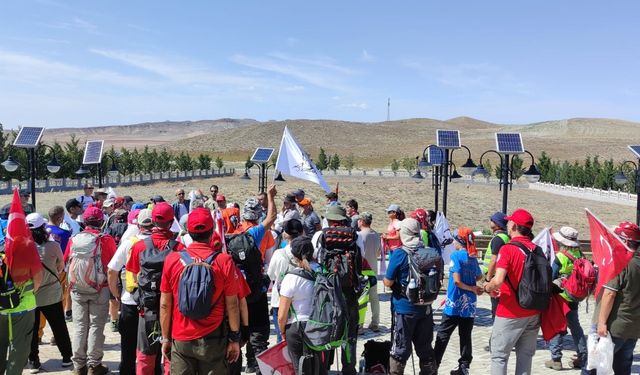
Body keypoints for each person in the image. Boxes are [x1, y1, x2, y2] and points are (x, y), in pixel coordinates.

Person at [159, 207, 241, 374]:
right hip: (213, 338)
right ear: (212, 231)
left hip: (181, 335)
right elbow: (232, 305)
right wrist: (234, 339)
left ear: (188, 231)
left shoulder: (172, 259)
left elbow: (165, 305)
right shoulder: (224, 261)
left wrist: (166, 338)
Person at [126, 202, 185, 375]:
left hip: (147, 309)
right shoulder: (180, 248)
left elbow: (133, 275)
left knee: (145, 356)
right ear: (171, 221)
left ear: (152, 221)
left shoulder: (139, 247)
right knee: (170, 356)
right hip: (173, 311)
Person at [482, 208, 541, 375]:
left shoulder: (508, 249)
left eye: (509, 221)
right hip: (533, 310)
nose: (507, 224)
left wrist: (487, 286)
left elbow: (498, 280)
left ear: (514, 226)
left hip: (510, 311)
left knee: (499, 356)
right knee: (525, 355)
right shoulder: (537, 249)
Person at [64, 206, 117, 375]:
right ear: (101, 222)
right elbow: (112, 266)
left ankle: (79, 366)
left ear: (84, 221)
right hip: (99, 289)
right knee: (96, 326)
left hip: (77, 289)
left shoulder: (74, 238)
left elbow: (65, 261)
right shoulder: (105, 239)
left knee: (79, 326)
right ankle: (94, 365)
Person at [384, 218, 439, 375]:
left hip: (404, 308)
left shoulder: (400, 254)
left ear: (405, 233)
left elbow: (387, 282)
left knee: (400, 349)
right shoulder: (429, 252)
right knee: (425, 348)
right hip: (425, 308)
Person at [232, 186, 277, 374]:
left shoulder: (233, 235)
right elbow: (269, 261)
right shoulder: (259, 233)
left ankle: (235, 367)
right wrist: (270, 196)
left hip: (235, 292)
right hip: (255, 289)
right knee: (258, 333)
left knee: (236, 335)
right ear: (257, 216)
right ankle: (255, 365)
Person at [586, 221, 640, 375]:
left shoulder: (622, 262)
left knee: (594, 367)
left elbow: (610, 293)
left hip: (612, 326)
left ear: (625, 241)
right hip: (633, 327)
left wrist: (601, 323)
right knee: (622, 369)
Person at [107, 208, 153, 375]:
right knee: (153, 345)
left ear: (138, 225)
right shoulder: (162, 242)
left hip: (130, 299)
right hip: (154, 302)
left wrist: (116, 294)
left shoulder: (129, 243)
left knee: (128, 345)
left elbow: (112, 270)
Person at [26, 213, 73, 373]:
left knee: (31, 330)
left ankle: (33, 361)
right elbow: (61, 267)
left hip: (30, 295)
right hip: (51, 292)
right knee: (59, 326)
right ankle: (67, 358)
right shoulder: (52, 246)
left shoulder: (24, 246)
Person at [434, 227, 483, 375]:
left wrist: (469, 287)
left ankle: (434, 365)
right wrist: (473, 286)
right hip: (469, 305)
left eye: (455, 239)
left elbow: (456, 281)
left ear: (459, 241)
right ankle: (464, 366)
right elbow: (479, 276)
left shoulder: (456, 256)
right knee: (465, 335)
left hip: (454, 303)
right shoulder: (472, 257)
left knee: (443, 334)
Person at [277, 236, 325, 375]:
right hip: (321, 326)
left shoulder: (291, 278)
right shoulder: (322, 271)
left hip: (297, 328)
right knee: (320, 367)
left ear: (294, 255)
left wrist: (283, 332)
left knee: (300, 368)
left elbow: (282, 315)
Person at [544, 226, 587, 371]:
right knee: (575, 327)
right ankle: (583, 357)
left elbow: (552, 276)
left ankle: (556, 360)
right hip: (574, 295)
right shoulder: (580, 254)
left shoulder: (560, 257)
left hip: (560, 296)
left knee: (557, 326)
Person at [267, 219, 304, 343]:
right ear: (302, 232)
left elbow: (271, 276)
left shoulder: (279, 254)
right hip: (302, 302)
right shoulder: (308, 252)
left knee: (282, 341)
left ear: (286, 234)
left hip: (280, 301)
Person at [481, 212, 510, 351]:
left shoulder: (499, 239)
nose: (490, 221)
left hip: (495, 278)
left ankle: (496, 343)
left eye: (492, 220)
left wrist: (488, 279)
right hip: (502, 277)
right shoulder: (506, 237)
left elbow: (493, 260)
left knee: (496, 312)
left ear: (497, 223)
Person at [357, 212, 381, 332]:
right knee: (374, 298)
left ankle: (360, 325)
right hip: (373, 269)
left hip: (363, 270)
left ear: (361, 221)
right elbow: (378, 253)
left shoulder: (359, 235)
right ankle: (375, 322)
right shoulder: (376, 235)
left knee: (362, 300)